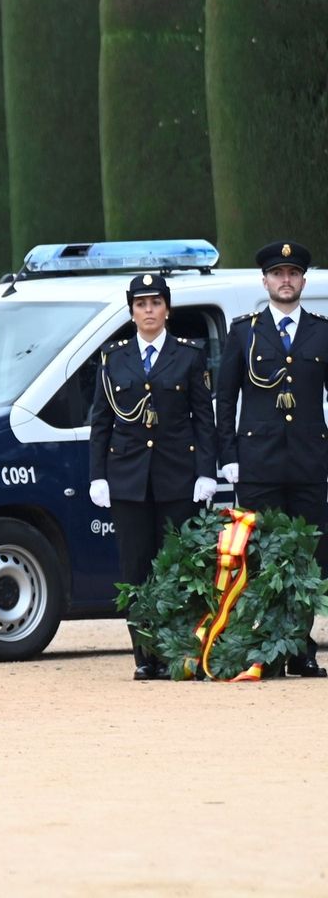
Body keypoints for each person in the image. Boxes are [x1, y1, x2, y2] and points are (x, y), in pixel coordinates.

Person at [90, 272, 216, 680]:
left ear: (168, 309)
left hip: (177, 477)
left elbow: (203, 419)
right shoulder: (114, 357)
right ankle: (145, 656)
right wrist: (98, 476)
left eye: (155, 302)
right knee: (135, 570)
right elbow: (101, 423)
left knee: (177, 568)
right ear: (131, 311)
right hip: (128, 479)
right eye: (141, 303)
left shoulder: (189, 355)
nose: (149, 310)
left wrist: (205, 472)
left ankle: (178, 652)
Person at [216, 241, 328, 676]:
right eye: (278, 273)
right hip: (258, 462)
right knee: (261, 558)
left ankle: (301, 648)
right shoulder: (244, 332)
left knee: (305, 558)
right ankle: (265, 648)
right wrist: (229, 455)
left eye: (293, 273)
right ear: (264, 281)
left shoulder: (321, 331)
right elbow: (225, 398)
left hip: (307, 463)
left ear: (303, 280)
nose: (286, 280)